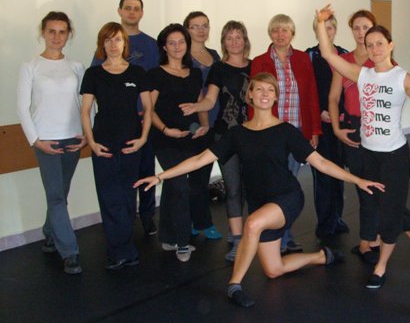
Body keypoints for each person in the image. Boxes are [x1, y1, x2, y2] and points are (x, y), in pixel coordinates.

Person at [135, 73, 384, 307]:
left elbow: (321, 163)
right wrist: (160, 176)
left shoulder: (286, 131)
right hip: (259, 203)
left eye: (270, 90)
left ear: (275, 97)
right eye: (259, 89)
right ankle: (322, 256)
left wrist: (357, 180)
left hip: (287, 197)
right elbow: (200, 159)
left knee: (252, 224)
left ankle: (234, 285)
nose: (265, 94)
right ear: (250, 95)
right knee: (274, 269)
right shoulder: (237, 134)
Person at [317, 4, 410, 290]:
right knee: (378, 204)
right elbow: (328, 55)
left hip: (394, 155)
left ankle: (381, 266)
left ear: (390, 45)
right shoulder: (362, 74)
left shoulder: (403, 78)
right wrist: (320, 23)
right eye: (370, 45)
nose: (374, 49)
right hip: (367, 153)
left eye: (380, 43)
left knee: (389, 212)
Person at [17, 11, 86, 275]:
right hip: (46, 140)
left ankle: (49, 233)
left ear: (68, 35)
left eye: (62, 32)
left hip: (72, 138)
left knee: (60, 194)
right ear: (43, 33)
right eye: (52, 31)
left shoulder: (76, 67)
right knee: (56, 196)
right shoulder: (30, 67)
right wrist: (36, 141)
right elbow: (22, 108)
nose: (57, 37)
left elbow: (86, 104)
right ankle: (70, 252)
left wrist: (86, 134)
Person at [81, 22, 152, 269]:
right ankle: (120, 251)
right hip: (103, 144)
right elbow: (85, 110)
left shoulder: (137, 73)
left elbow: (148, 108)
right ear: (102, 44)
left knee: (127, 198)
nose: (113, 44)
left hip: (131, 143)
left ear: (125, 44)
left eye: (118, 39)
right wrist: (91, 142)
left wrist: (143, 138)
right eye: (108, 40)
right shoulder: (93, 74)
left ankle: (125, 247)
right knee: (110, 197)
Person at [180, 20, 252, 262]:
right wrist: (197, 107)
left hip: (252, 135)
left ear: (245, 40)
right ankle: (237, 239)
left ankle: (253, 234)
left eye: (238, 37)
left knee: (250, 188)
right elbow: (210, 100)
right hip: (226, 135)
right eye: (229, 38)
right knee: (233, 189)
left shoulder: (256, 66)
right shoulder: (218, 68)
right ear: (223, 42)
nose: (234, 42)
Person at [251, 14, 322, 254]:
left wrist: (314, 129)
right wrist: (256, 131)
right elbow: (254, 99)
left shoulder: (302, 59)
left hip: (297, 132)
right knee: (275, 184)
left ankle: (284, 236)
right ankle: (276, 237)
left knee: (290, 183)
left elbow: (311, 95)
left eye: (285, 30)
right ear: (270, 34)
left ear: (292, 33)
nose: (280, 35)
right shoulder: (259, 61)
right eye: (276, 30)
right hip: (270, 133)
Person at [92, 0, 159, 236]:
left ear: (142, 13)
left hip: (145, 121)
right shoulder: (106, 44)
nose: (132, 12)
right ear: (119, 11)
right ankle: (122, 224)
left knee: (146, 170)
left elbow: (155, 82)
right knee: (119, 179)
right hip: (117, 126)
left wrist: (146, 114)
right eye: (127, 8)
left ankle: (148, 215)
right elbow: (97, 85)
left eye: (136, 8)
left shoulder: (151, 45)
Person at [147, 24, 211, 262]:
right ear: (164, 47)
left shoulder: (194, 73)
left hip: (191, 138)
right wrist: (166, 130)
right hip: (166, 139)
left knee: (175, 186)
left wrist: (204, 126)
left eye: (181, 42)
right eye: (171, 43)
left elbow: (199, 103)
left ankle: (167, 236)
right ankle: (183, 243)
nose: (177, 47)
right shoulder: (155, 74)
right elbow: (149, 109)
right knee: (180, 186)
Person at [328, 10, 381, 264]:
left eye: (366, 27)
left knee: (378, 184)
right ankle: (368, 239)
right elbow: (333, 98)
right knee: (363, 185)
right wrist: (337, 129)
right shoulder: (344, 60)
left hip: (377, 129)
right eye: (356, 28)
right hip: (353, 127)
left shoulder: (381, 59)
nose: (361, 33)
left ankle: (371, 238)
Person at [305, 14, 350, 239]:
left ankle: (337, 218)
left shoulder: (344, 54)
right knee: (323, 174)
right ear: (316, 31)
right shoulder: (310, 56)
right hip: (320, 123)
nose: (327, 31)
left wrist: (343, 113)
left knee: (339, 172)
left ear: (336, 30)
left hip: (341, 122)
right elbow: (308, 90)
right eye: (323, 28)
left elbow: (349, 88)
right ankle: (325, 222)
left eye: (331, 27)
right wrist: (319, 113)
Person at [183, 11, 223, 241]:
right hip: (195, 122)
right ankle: (199, 222)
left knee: (203, 175)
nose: (200, 30)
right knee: (196, 176)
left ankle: (197, 220)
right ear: (187, 29)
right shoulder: (183, 56)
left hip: (216, 121)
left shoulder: (214, 55)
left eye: (204, 25)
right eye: (195, 26)